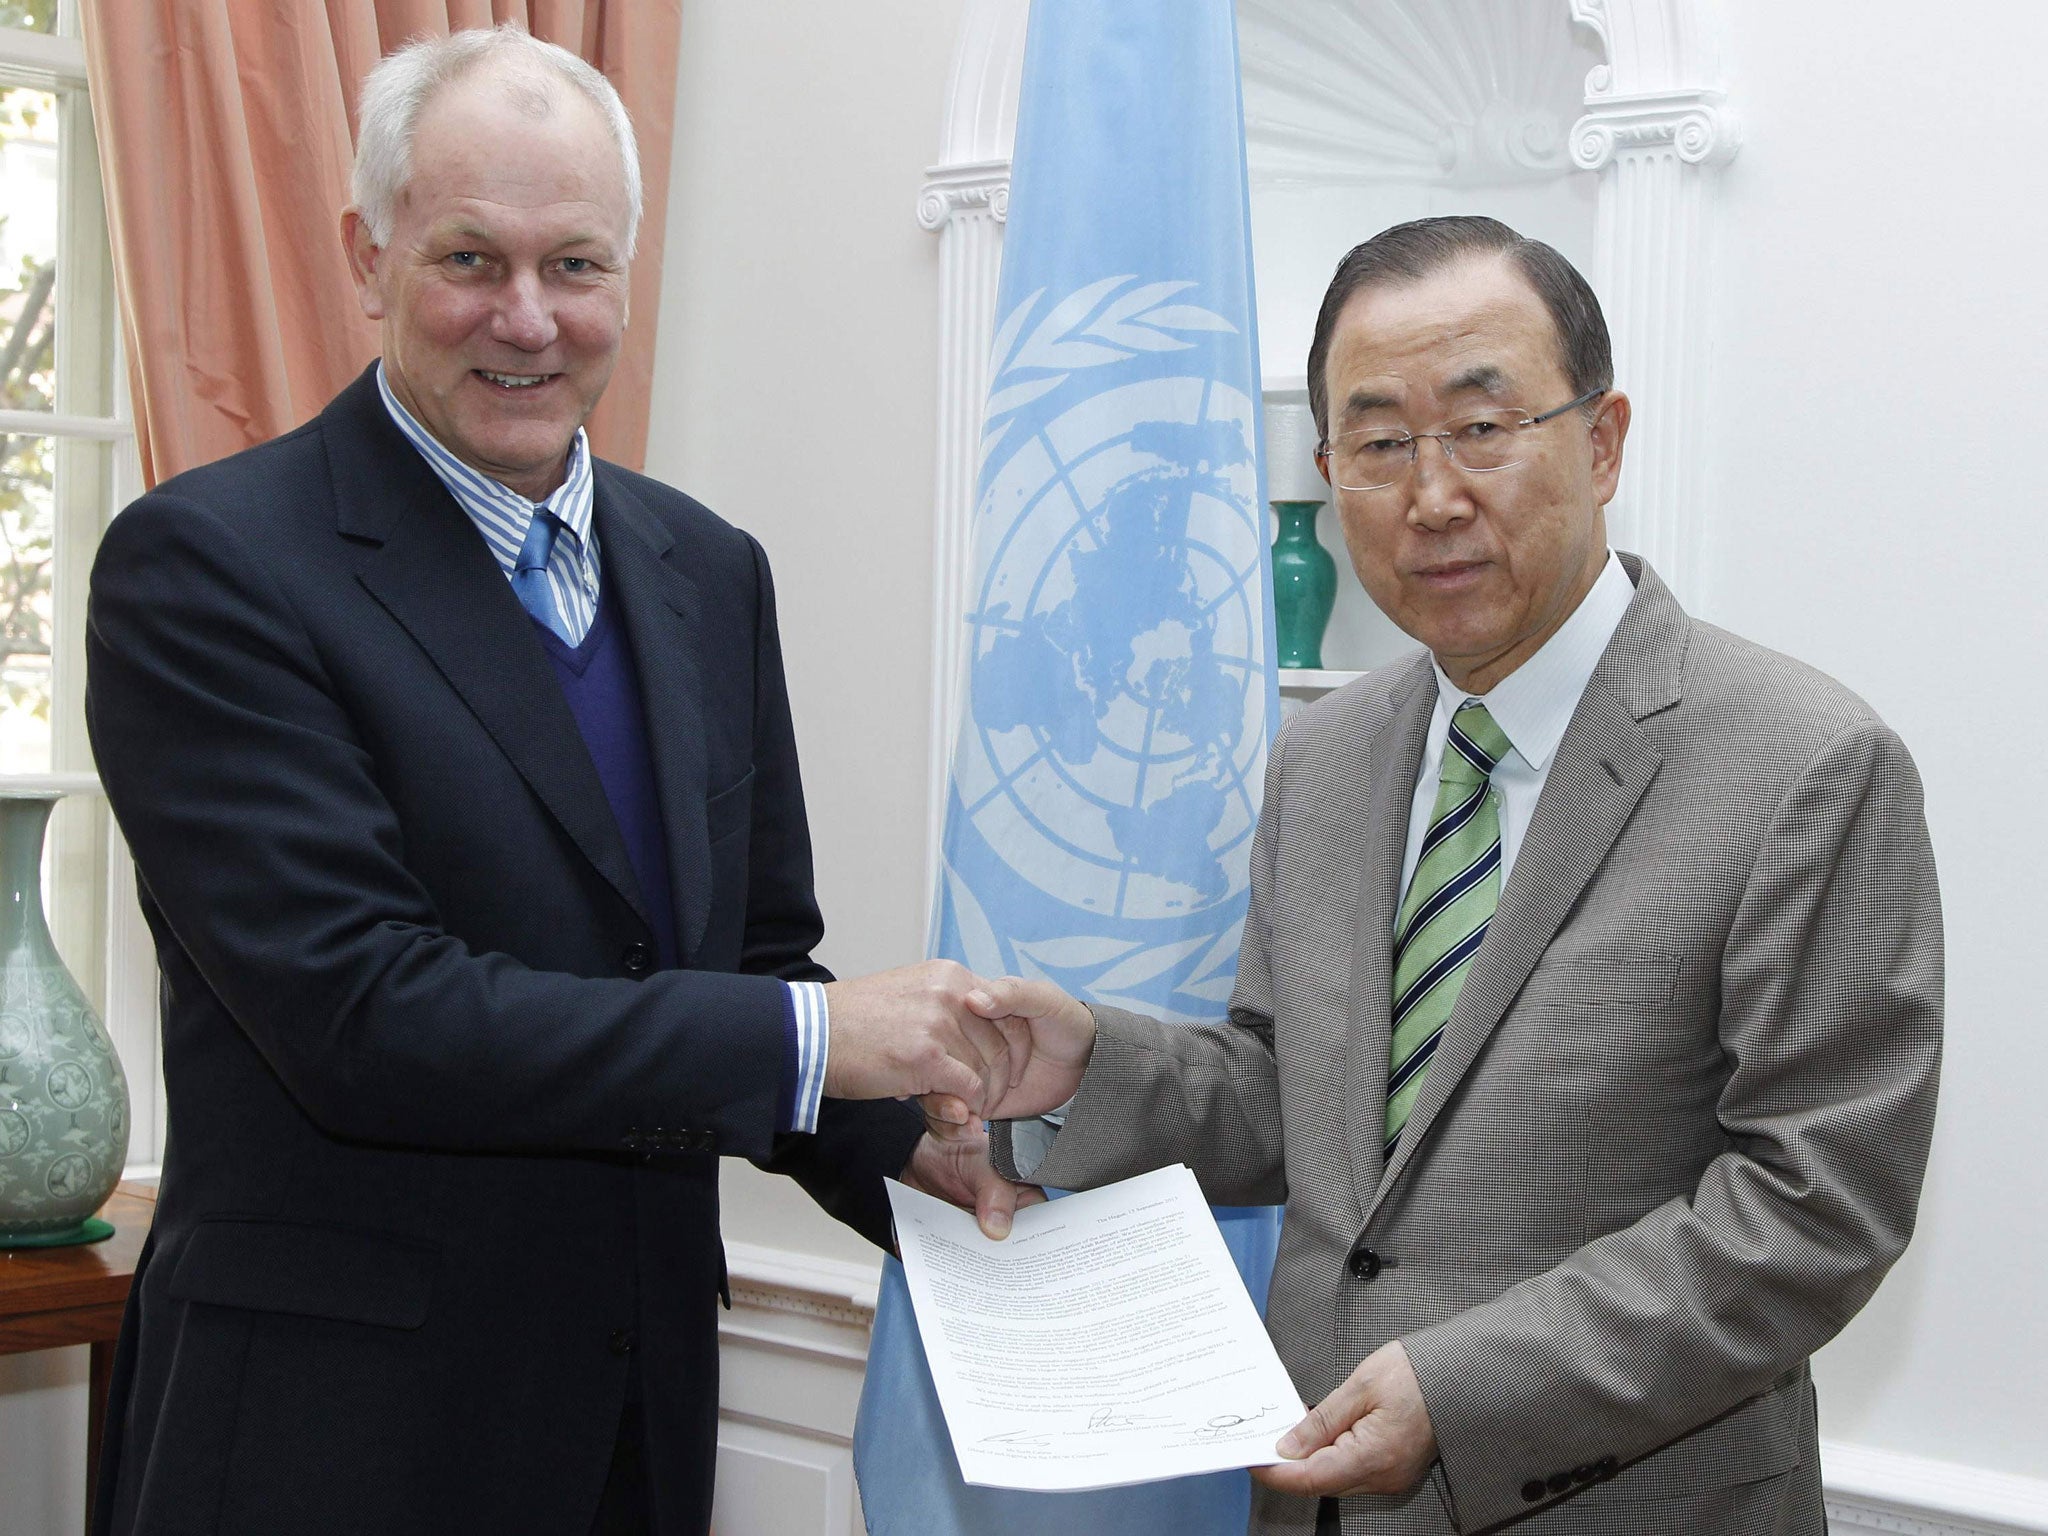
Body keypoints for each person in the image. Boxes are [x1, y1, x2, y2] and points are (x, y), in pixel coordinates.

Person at [83, 27, 1025, 1536]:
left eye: (576, 265)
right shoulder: (210, 568)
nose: (527, 319)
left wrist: (916, 1163)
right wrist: (814, 1035)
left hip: (634, 1433)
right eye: (470, 258)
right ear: (365, 257)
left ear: (627, 276)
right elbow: (365, 1014)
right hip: (331, 1451)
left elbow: (750, 961)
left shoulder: (708, 572)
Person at [954, 215, 1943, 1535]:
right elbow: (1287, 1107)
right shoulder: (1325, 755)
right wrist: (1081, 1068)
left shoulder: (1804, 764)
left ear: (1600, 441)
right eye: (1378, 444)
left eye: (1482, 428)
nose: (1431, 495)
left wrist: (1464, 1390)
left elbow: (1812, 1210)